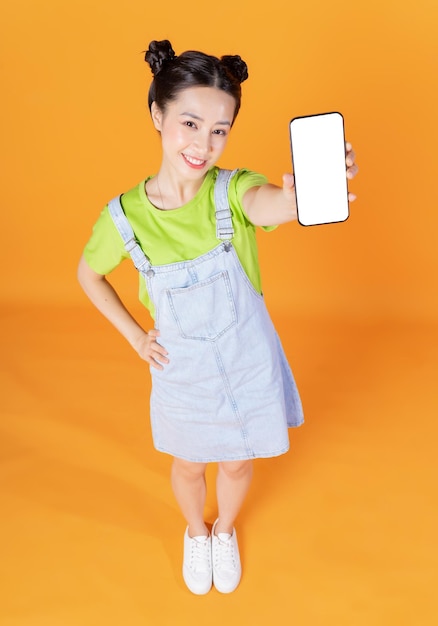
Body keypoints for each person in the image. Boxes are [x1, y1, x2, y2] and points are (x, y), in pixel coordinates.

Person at [77, 39, 358, 596]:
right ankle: (195, 530)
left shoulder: (233, 191)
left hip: (246, 364)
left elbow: (270, 204)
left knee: (233, 465)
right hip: (183, 373)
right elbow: (89, 275)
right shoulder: (124, 218)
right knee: (187, 466)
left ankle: (223, 529)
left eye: (219, 130)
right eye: (189, 122)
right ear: (157, 114)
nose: (203, 144)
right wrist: (136, 337)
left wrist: (299, 199)